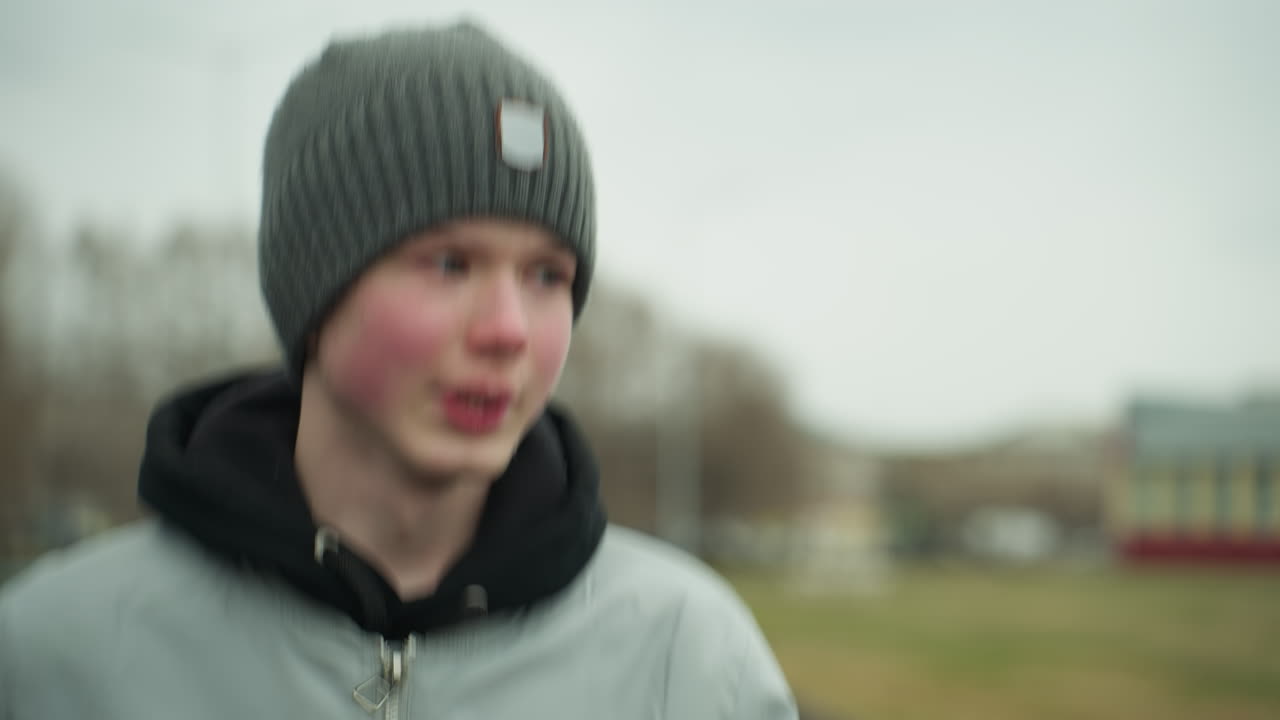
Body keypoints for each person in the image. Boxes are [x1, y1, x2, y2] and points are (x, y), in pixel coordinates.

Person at [0, 21, 798, 719]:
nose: (508, 331)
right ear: (316, 294)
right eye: (449, 263)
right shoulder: (53, 657)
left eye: (548, 275)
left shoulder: (690, 660)